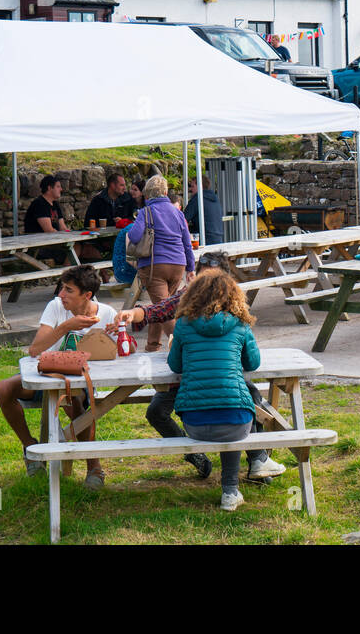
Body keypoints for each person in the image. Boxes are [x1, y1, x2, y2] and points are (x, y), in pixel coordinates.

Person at [167, 268, 285, 512]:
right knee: (236, 413)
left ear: (193, 296)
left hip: (194, 420)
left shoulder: (183, 326)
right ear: (234, 296)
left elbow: (174, 365)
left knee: (232, 412)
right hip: (234, 419)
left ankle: (257, 464)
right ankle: (230, 491)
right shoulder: (240, 325)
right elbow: (253, 364)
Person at [0, 266, 118, 486]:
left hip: (80, 382)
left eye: (68, 290)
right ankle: (30, 448)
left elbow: (120, 353)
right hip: (47, 376)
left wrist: (122, 330)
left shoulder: (106, 313)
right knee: (4, 388)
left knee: (71, 400)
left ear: (87, 295)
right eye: (62, 288)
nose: (61, 294)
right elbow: (35, 350)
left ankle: (94, 466)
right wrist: (66, 326)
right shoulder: (56, 307)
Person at [128, 175, 196, 352]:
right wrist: (191, 268)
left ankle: (187, 347)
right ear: (165, 192)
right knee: (160, 307)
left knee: (164, 311)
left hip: (154, 266)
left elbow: (134, 237)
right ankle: (152, 347)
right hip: (178, 266)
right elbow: (187, 242)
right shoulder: (178, 213)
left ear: (147, 196)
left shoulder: (145, 212)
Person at [25, 174, 71, 264]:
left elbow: (63, 228)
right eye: (58, 187)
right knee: (75, 250)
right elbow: (49, 230)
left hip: (54, 243)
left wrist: (73, 235)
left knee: (84, 248)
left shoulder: (55, 205)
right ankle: (67, 276)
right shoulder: (39, 204)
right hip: (40, 247)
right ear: (49, 188)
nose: (61, 189)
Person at [185, 178, 226, 245]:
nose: (190, 189)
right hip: (219, 239)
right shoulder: (216, 199)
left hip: (204, 240)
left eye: (192, 186)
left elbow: (183, 219)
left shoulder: (197, 199)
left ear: (200, 186)